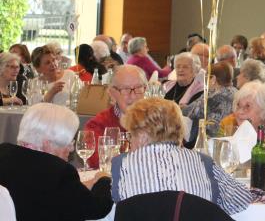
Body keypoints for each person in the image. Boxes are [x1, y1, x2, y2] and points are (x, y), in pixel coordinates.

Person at [111, 98, 252, 216]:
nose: (130, 141)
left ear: (142, 136)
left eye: (131, 135)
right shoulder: (203, 162)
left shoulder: (120, 164)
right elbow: (242, 200)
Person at [0, 103, 113, 220]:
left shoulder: (4, 152)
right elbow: (96, 208)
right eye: (68, 143)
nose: (72, 149)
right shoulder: (58, 171)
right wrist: (103, 180)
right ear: (47, 143)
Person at [85, 65, 148, 168]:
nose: (133, 96)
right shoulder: (98, 124)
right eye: (125, 89)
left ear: (145, 89)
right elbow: (97, 161)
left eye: (138, 88)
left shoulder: (157, 120)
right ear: (111, 93)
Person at [219, 81, 265, 148]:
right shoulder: (227, 124)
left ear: (264, 109)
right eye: (238, 106)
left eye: (247, 106)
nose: (240, 112)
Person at [184, 61, 237, 137]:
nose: (205, 82)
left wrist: (180, 108)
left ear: (213, 79)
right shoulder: (236, 92)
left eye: (206, 77)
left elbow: (190, 113)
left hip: (210, 139)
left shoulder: (212, 96)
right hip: (231, 137)